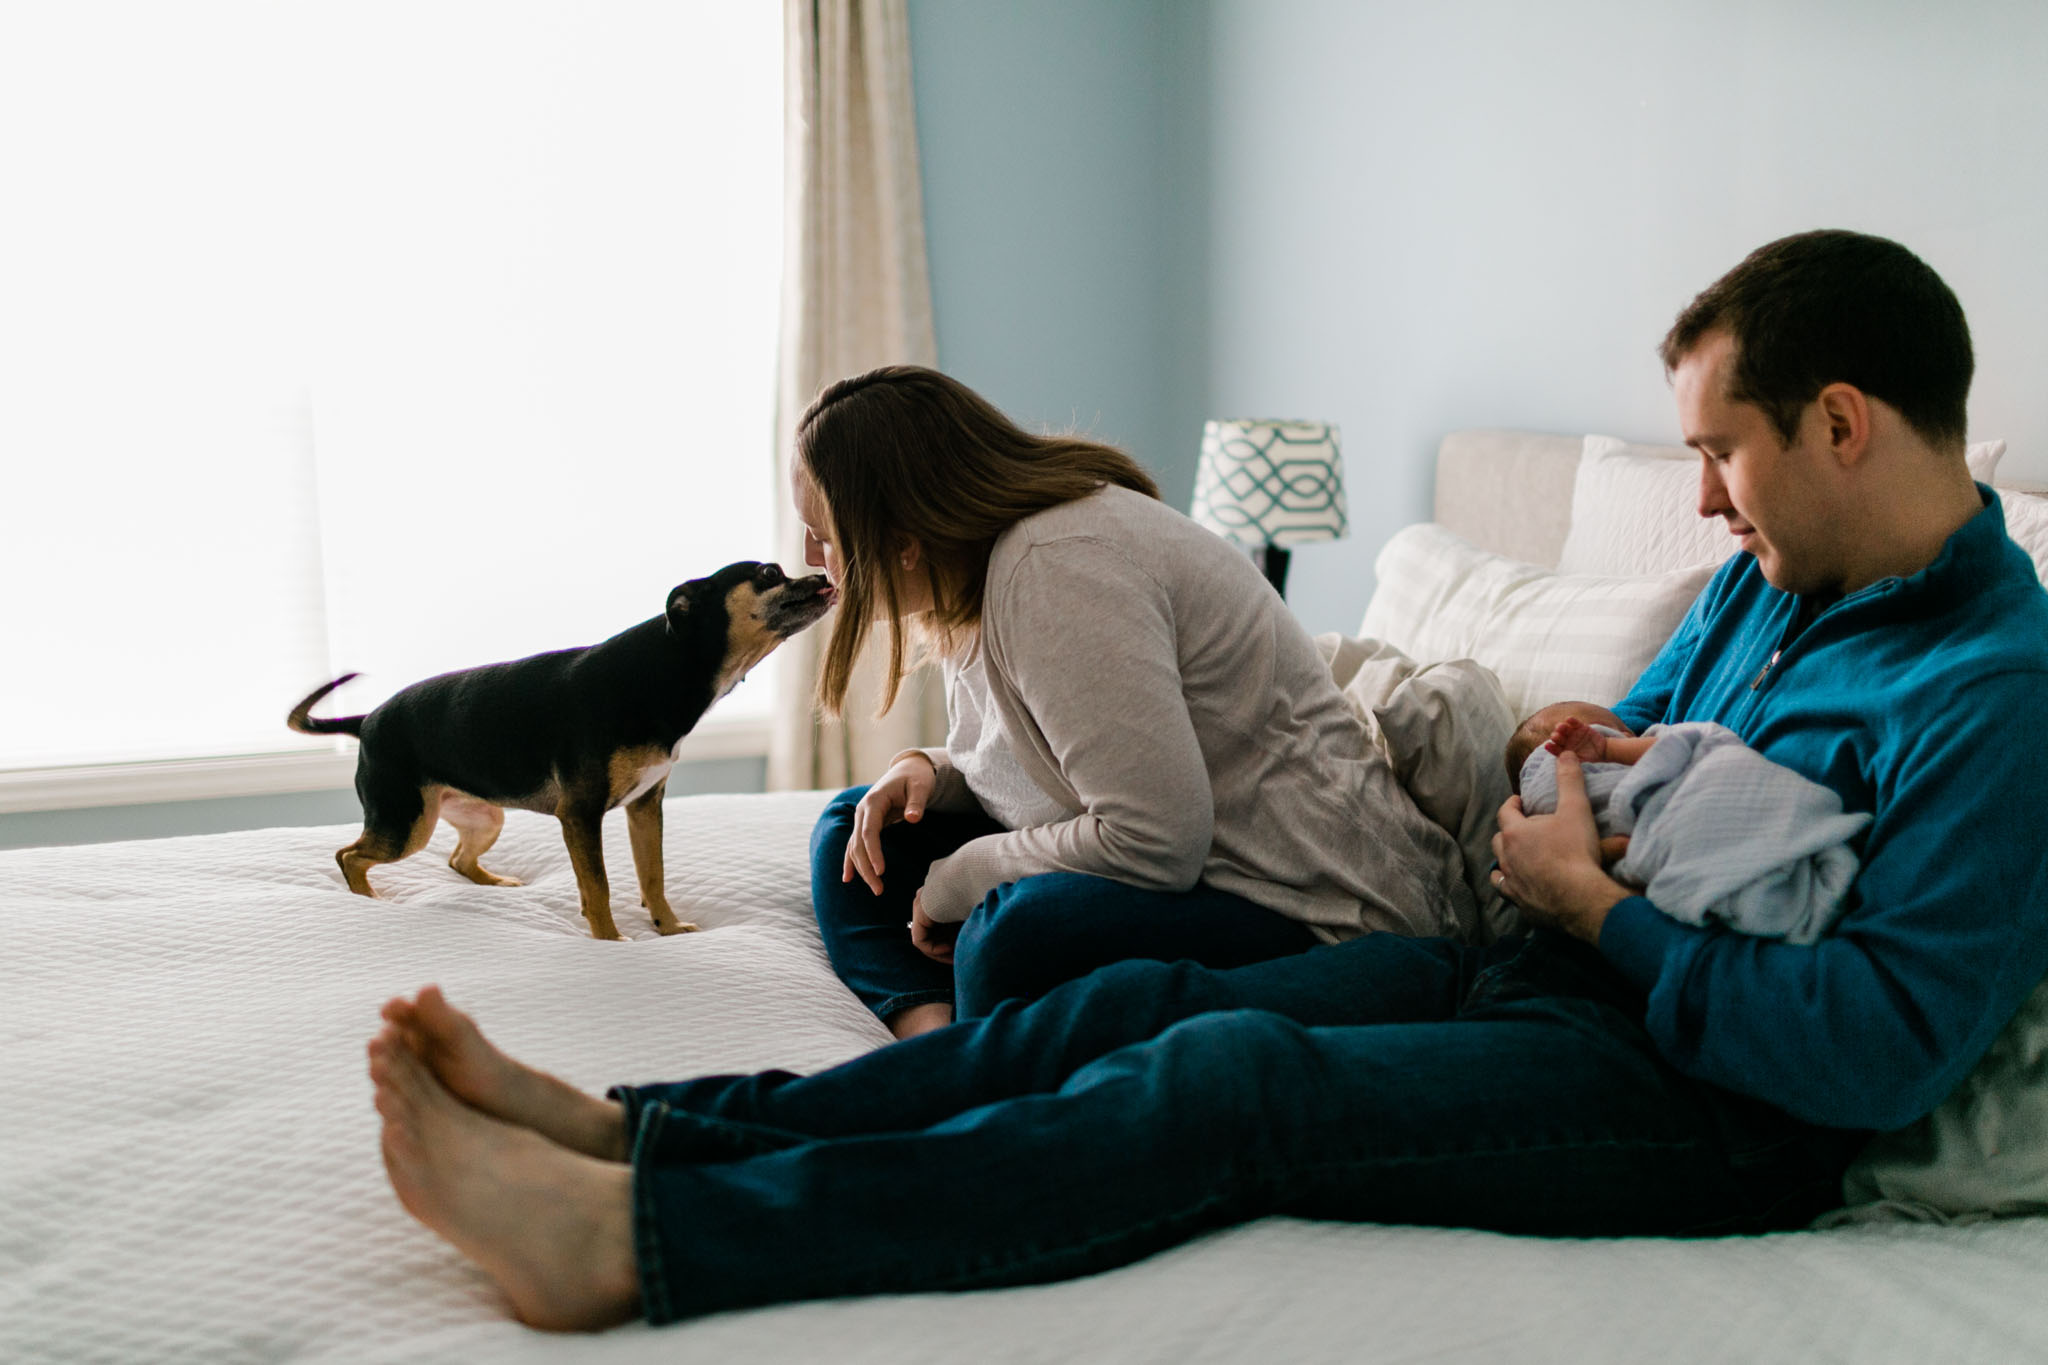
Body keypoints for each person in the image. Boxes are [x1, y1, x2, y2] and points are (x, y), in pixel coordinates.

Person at [367, 229, 2048, 1331]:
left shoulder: (1989, 698)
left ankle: (646, 1249)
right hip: (1521, 968)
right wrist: (1575, 757)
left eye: (1716, 450)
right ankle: (639, 1133)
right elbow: (1627, 734)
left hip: (1710, 1109)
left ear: (1839, 424)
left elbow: (1874, 1053)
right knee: (1108, 1012)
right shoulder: (1765, 585)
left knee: (1227, 1076)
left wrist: (1602, 910)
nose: (1699, 501)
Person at [790, 366, 1473, 1038]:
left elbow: (1156, 838)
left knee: (1011, 935)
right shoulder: (966, 579)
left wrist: (964, 873)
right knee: (854, 832)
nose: (809, 554)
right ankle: (934, 1038)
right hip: (1188, 861)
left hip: (1296, 894)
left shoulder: (1053, 568)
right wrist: (935, 773)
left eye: (824, 533)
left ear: (904, 542)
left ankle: (961, 1054)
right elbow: (1063, 754)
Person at [1514, 713, 1871, 944]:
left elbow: (1683, 747)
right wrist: (1608, 746)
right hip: (1643, 857)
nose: (1629, 730)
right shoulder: (1554, 769)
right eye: (1617, 728)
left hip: (1626, 935)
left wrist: (1578, 892)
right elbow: (1669, 738)